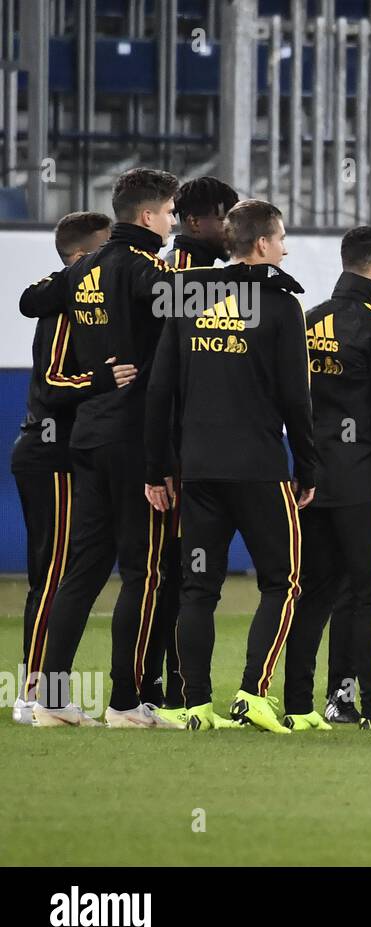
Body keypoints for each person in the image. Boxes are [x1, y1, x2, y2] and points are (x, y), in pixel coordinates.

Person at [143, 199, 318, 732]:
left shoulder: (189, 295)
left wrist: (157, 468)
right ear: (263, 244)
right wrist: (307, 467)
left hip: (198, 473)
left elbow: (160, 390)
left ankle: (196, 705)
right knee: (283, 580)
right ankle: (252, 693)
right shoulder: (283, 304)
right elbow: (297, 397)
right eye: (282, 238)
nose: (286, 248)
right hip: (260, 470)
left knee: (197, 588)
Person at [29, 168, 179, 729]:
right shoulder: (149, 271)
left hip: (87, 437)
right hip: (135, 440)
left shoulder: (83, 268)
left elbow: (29, 302)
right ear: (147, 217)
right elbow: (181, 346)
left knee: (83, 571)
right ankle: (125, 702)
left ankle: (51, 701)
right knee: (144, 572)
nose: (172, 221)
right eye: (168, 212)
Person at [280, 227, 371, 732]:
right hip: (365, 483)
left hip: (313, 481)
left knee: (312, 595)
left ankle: (298, 708)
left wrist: (304, 467)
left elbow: (289, 403)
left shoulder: (307, 319)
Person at [10, 212, 111, 724]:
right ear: (82, 257)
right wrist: (104, 378)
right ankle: (34, 694)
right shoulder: (63, 309)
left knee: (59, 572)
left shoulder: (83, 307)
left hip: (62, 453)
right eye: (106, 249)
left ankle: (40, 691)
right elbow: (51, 383)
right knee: (52, 575)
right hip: (51, 455)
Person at [168, 176, 239, 269]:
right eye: (224, 220)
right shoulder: (180, 272)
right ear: (195, 223)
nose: (233, 229)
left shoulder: (192, 267)